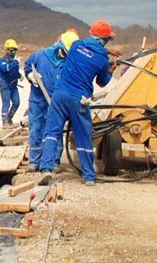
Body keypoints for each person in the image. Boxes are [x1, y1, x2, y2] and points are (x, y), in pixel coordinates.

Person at [39, 21, 118, 186]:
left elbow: (86, 52)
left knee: (52, 132)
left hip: (59, 94)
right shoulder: (102, 60)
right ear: (104, 40)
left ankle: (46, 168)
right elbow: (102, 82)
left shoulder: (75, 45)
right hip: (78, 99)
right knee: (83, 136)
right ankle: (89, 176)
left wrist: (106, 52)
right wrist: (110, 71)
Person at [23, 30, 78, 170]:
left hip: (56, 103)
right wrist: (30, 75)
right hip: (37, 100)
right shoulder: (40, 56)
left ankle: (54, 161)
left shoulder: (69, 63)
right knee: (36, 129)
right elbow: (27, 66)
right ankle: (34, 161)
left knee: (55, 131)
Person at [0, 39, 21, 127]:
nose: (14, 52)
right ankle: (5, 122)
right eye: (12, 50)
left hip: (14, 86)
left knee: (16, 102)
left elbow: (15, 71)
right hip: (5, 86)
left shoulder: (15, 61)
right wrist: (15, 62)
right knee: (6, 104)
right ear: (7, 50)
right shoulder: (3, 61)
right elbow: (5, 69)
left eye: (15, 50)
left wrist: (19, 76)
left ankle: (9, 119)